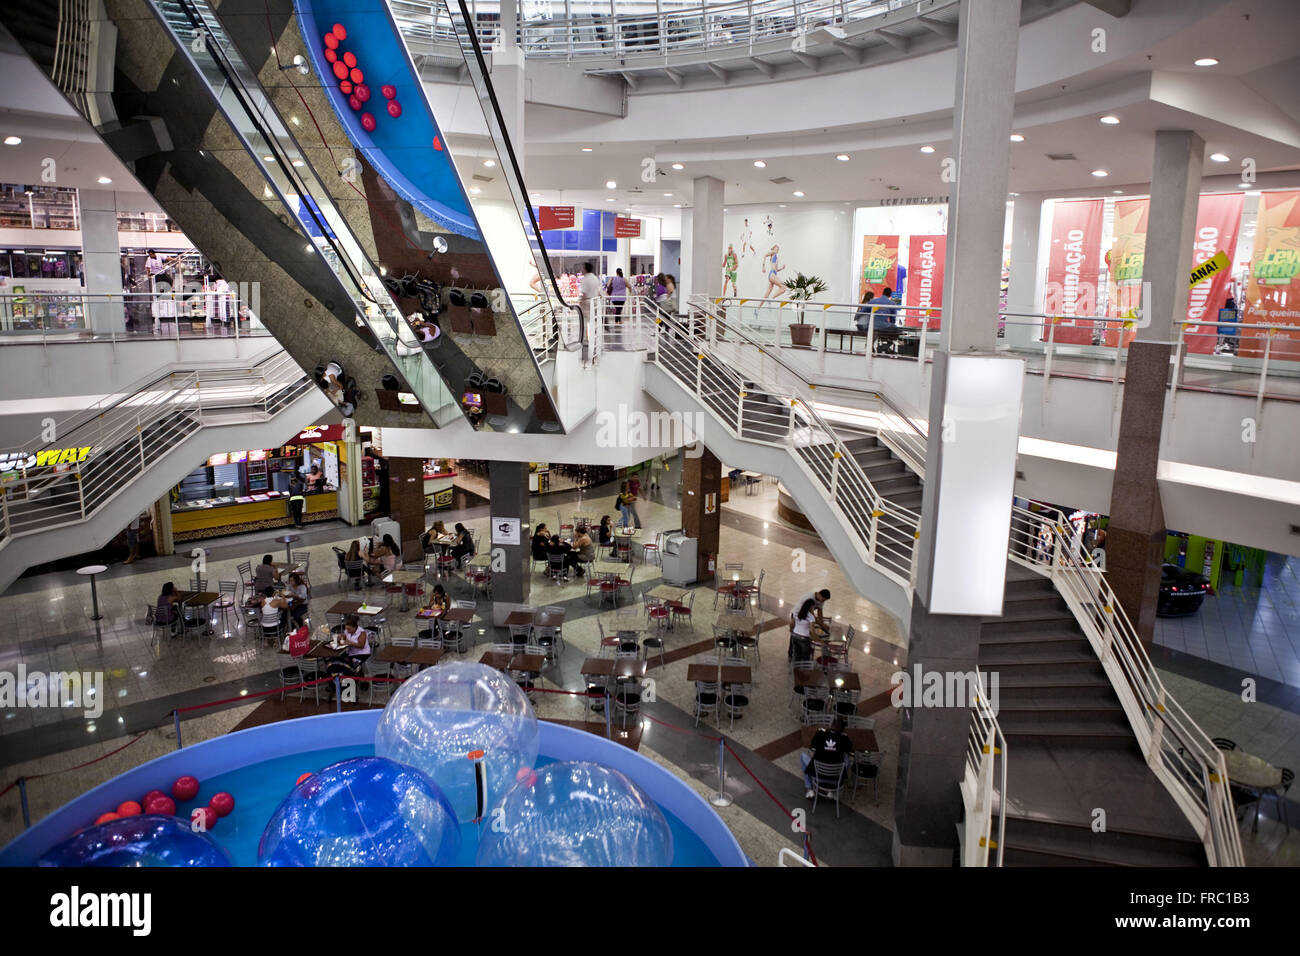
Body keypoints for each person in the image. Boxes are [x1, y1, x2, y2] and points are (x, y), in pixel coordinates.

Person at [801, 724, 854, 800]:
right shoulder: (843, 738)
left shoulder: (821, 734)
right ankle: (833, 792)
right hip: (835, 780)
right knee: (847, 759)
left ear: (831, 727)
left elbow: (813, 745)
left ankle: (810, 789)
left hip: (818, 776)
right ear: (842, 730)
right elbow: (850, 748)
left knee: (803, 756)